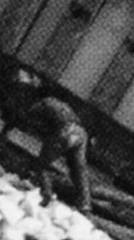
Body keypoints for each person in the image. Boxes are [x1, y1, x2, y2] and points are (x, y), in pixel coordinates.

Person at [11, 69, 93, 215]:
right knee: (78, 171)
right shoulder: (59, 103)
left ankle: (46, 195)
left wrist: (10, 126)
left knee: (41, 166)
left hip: (65, 132)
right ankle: (85, 205)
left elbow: (26, 120)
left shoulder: (42, 104)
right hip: (81, 134)